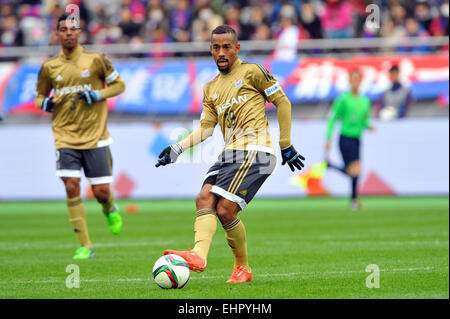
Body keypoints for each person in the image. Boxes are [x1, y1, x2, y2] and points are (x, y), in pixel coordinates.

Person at [155, 25, 305, 283]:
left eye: (227, 47)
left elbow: (283, 101)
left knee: (224, 207)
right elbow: (205, 129)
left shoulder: (252, 71)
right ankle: (218, 261)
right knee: (206, 199)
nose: (221, 52)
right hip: (231, 152)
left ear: (237, 48)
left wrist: (285, 144)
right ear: (211, 50)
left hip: (256, 150)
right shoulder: (210, 88)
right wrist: (177, 148)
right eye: (216, 47)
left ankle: (218, 260)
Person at [34, 12, 126, 260]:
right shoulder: (49, 67)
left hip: (95, 136)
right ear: (57, 34)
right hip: (64, 137)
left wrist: (98, 95)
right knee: (71, 186)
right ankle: (86, 245)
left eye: (73, 29)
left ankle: (109, 208)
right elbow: (39, 96)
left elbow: (119, 85)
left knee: (101, 192)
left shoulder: (96, 60)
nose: (68, 33)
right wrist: (47, 104)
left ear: (79, 33)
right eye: (63, 29)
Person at [325, 69, 374, 210]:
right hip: (345, 138)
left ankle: (331, 166)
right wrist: (328, 137)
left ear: (361, 81)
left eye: (358, 79)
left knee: (353, 171)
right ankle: (354, 201)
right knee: (356, 169)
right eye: (353, 79)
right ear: (349, 81)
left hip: (357, 139)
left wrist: (368, 126)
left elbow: (363, 120)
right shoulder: (343, 99)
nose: (355, 82)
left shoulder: (365, 101)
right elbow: (333, 118)